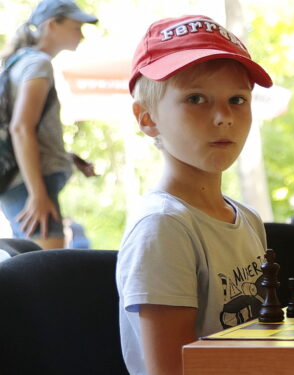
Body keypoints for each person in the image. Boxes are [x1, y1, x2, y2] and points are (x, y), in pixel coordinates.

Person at [116, 15, 273, 375]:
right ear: (147, 118)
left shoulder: (246, 218)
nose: (223, 117)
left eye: (237, 99)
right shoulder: (163, 228)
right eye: (196, 98)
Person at [0, 0, 97, 249]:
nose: (81, 35)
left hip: (18, 179)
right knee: (47, 272)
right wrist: (37, 194)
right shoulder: (38, 64)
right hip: (29, 183)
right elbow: (21, 128)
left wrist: (69, 158)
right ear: (52, 25)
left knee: (29, 265)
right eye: (77, 27)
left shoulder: (18, 63)